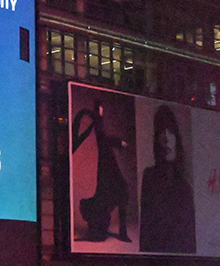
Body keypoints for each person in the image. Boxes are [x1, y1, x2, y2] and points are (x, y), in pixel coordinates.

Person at [139, 105, 196, 253]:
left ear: (177, 138)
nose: (165, 138)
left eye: (170, 132)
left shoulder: (185, 187)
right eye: (160, 132)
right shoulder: (149, 177)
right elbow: (145, 232)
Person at [73, 101, 131, 242]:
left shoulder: (100, 206)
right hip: (108, 180)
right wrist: (119, 142)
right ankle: (122, 233)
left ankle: (122, 233)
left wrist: (118, 142)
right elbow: (102, 137)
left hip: (109, 180)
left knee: (120, 191)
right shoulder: (100, 208)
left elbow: (102, 138)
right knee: (120, 191)